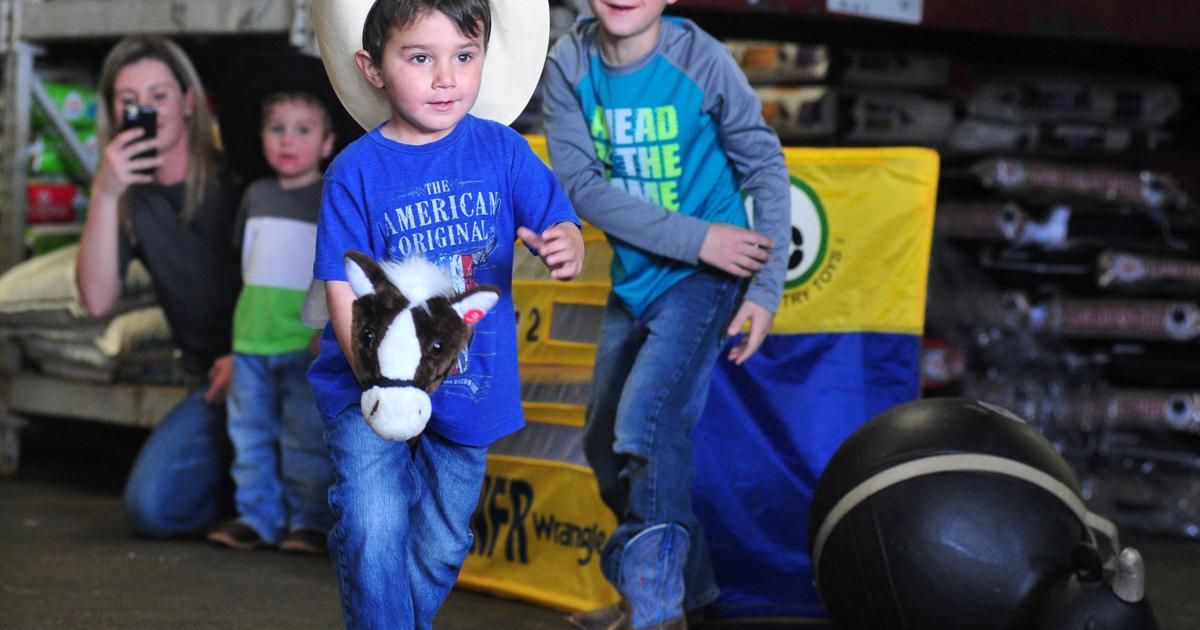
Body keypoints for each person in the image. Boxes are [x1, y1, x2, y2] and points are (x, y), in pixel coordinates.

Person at [307, 0, 584, 626]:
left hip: (468, 382)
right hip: (370, 390)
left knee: (442, 542)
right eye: (420, 58)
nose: (446, 78)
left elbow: (556, 219)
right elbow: (341, 286)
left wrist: (566, 240)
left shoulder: (504, 152)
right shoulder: (355, 171)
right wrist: (380, 381)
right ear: (371, 68)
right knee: (372, 522)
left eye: (464, 57)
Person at [542, 1, 792, 628]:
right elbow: (584, 188)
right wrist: (696, 236)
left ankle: (656, 611)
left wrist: (764, 288)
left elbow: (764, 163)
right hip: (638, 279)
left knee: (644, 432)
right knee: (604, 445)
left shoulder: (700, 59)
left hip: (707, 279)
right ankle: (697, 598)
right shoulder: (568, 63)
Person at [75, 36, 241, 538]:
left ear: (189, 102)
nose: (145, 110)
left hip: (275, 362)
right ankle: (243, 493)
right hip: (210, 386)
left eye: (158, 95)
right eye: (129, 101)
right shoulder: (128, 196)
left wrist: (249, 356)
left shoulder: (235, 172)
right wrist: (104, 195)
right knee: (151, 508)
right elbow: (96, 298)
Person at [205, 91, 336, 554]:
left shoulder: (330, 197)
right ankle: (257, 517)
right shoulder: (255, 196)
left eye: (303, 130)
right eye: (276, 128)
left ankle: (310, 521)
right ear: (261, 138)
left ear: (326, 143)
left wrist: (330, 332)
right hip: (251, 342)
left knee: (304, 438)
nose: (287, 140)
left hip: (304, 343)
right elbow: (243, 267)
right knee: (250, 436)